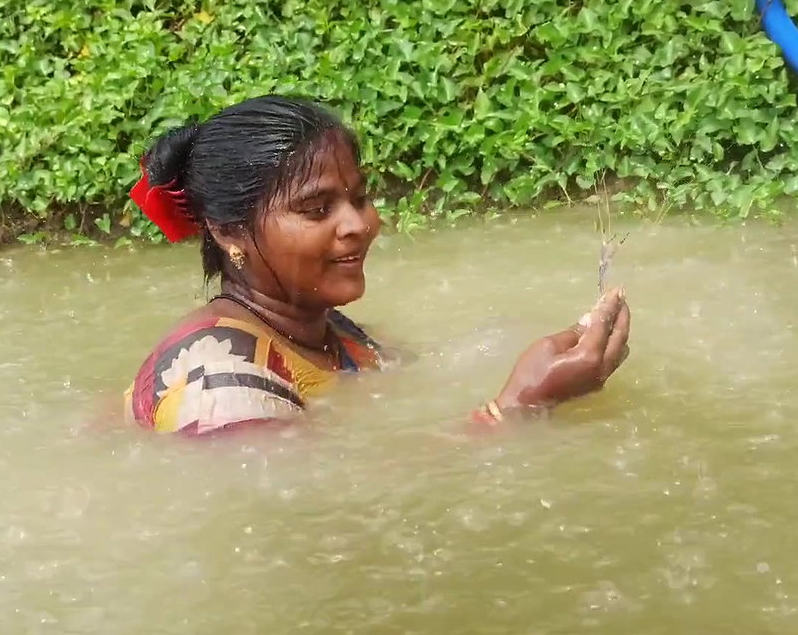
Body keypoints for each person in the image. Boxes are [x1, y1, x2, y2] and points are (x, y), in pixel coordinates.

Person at [125, 94, 631, 438]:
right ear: (228, 230)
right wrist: (517, 408)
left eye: (360, 198)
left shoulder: (325, 330)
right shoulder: (216, 380)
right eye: (317, 209)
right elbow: (311, 507)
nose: (361, 224)